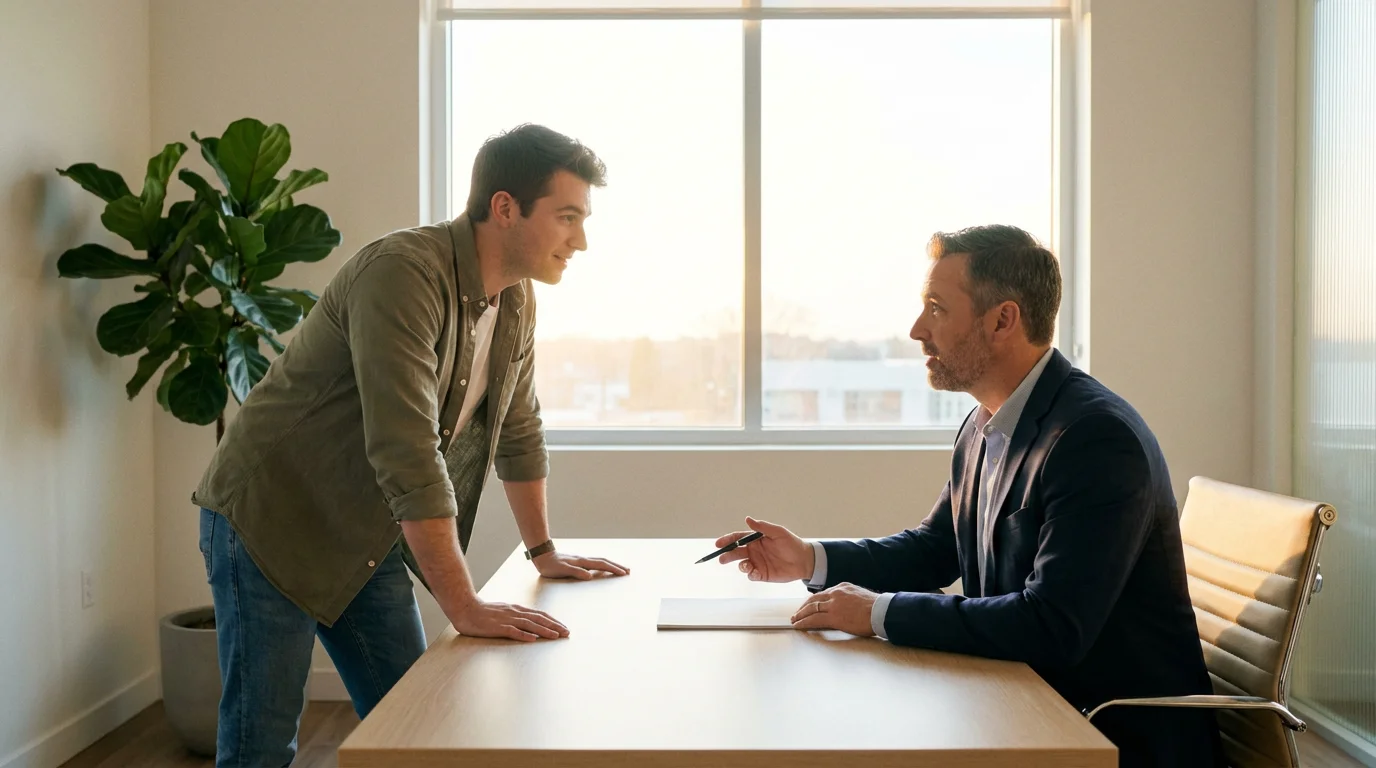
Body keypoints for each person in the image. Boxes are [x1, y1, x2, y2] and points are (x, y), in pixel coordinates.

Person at [192, 124, 629, 768]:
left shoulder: (515, 300)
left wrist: (542, 551)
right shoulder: (402, 274)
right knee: (261, 747)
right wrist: (465, 605)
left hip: (362, 538)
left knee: (422, 732)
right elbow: (407, 449)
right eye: (567, 217)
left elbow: (518, 427)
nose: (581, 240)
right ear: (505, 207)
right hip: (269, 523)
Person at [713, 225, 1221, 768]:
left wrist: (878, 612)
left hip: (1105, 736)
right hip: (1017, 706)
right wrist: (811, 558)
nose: (915, 330)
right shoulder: (986, 423)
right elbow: (935, 547)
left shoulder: (1094, 440)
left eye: (936, 308)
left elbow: (1052, 625)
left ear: (1003, 320)